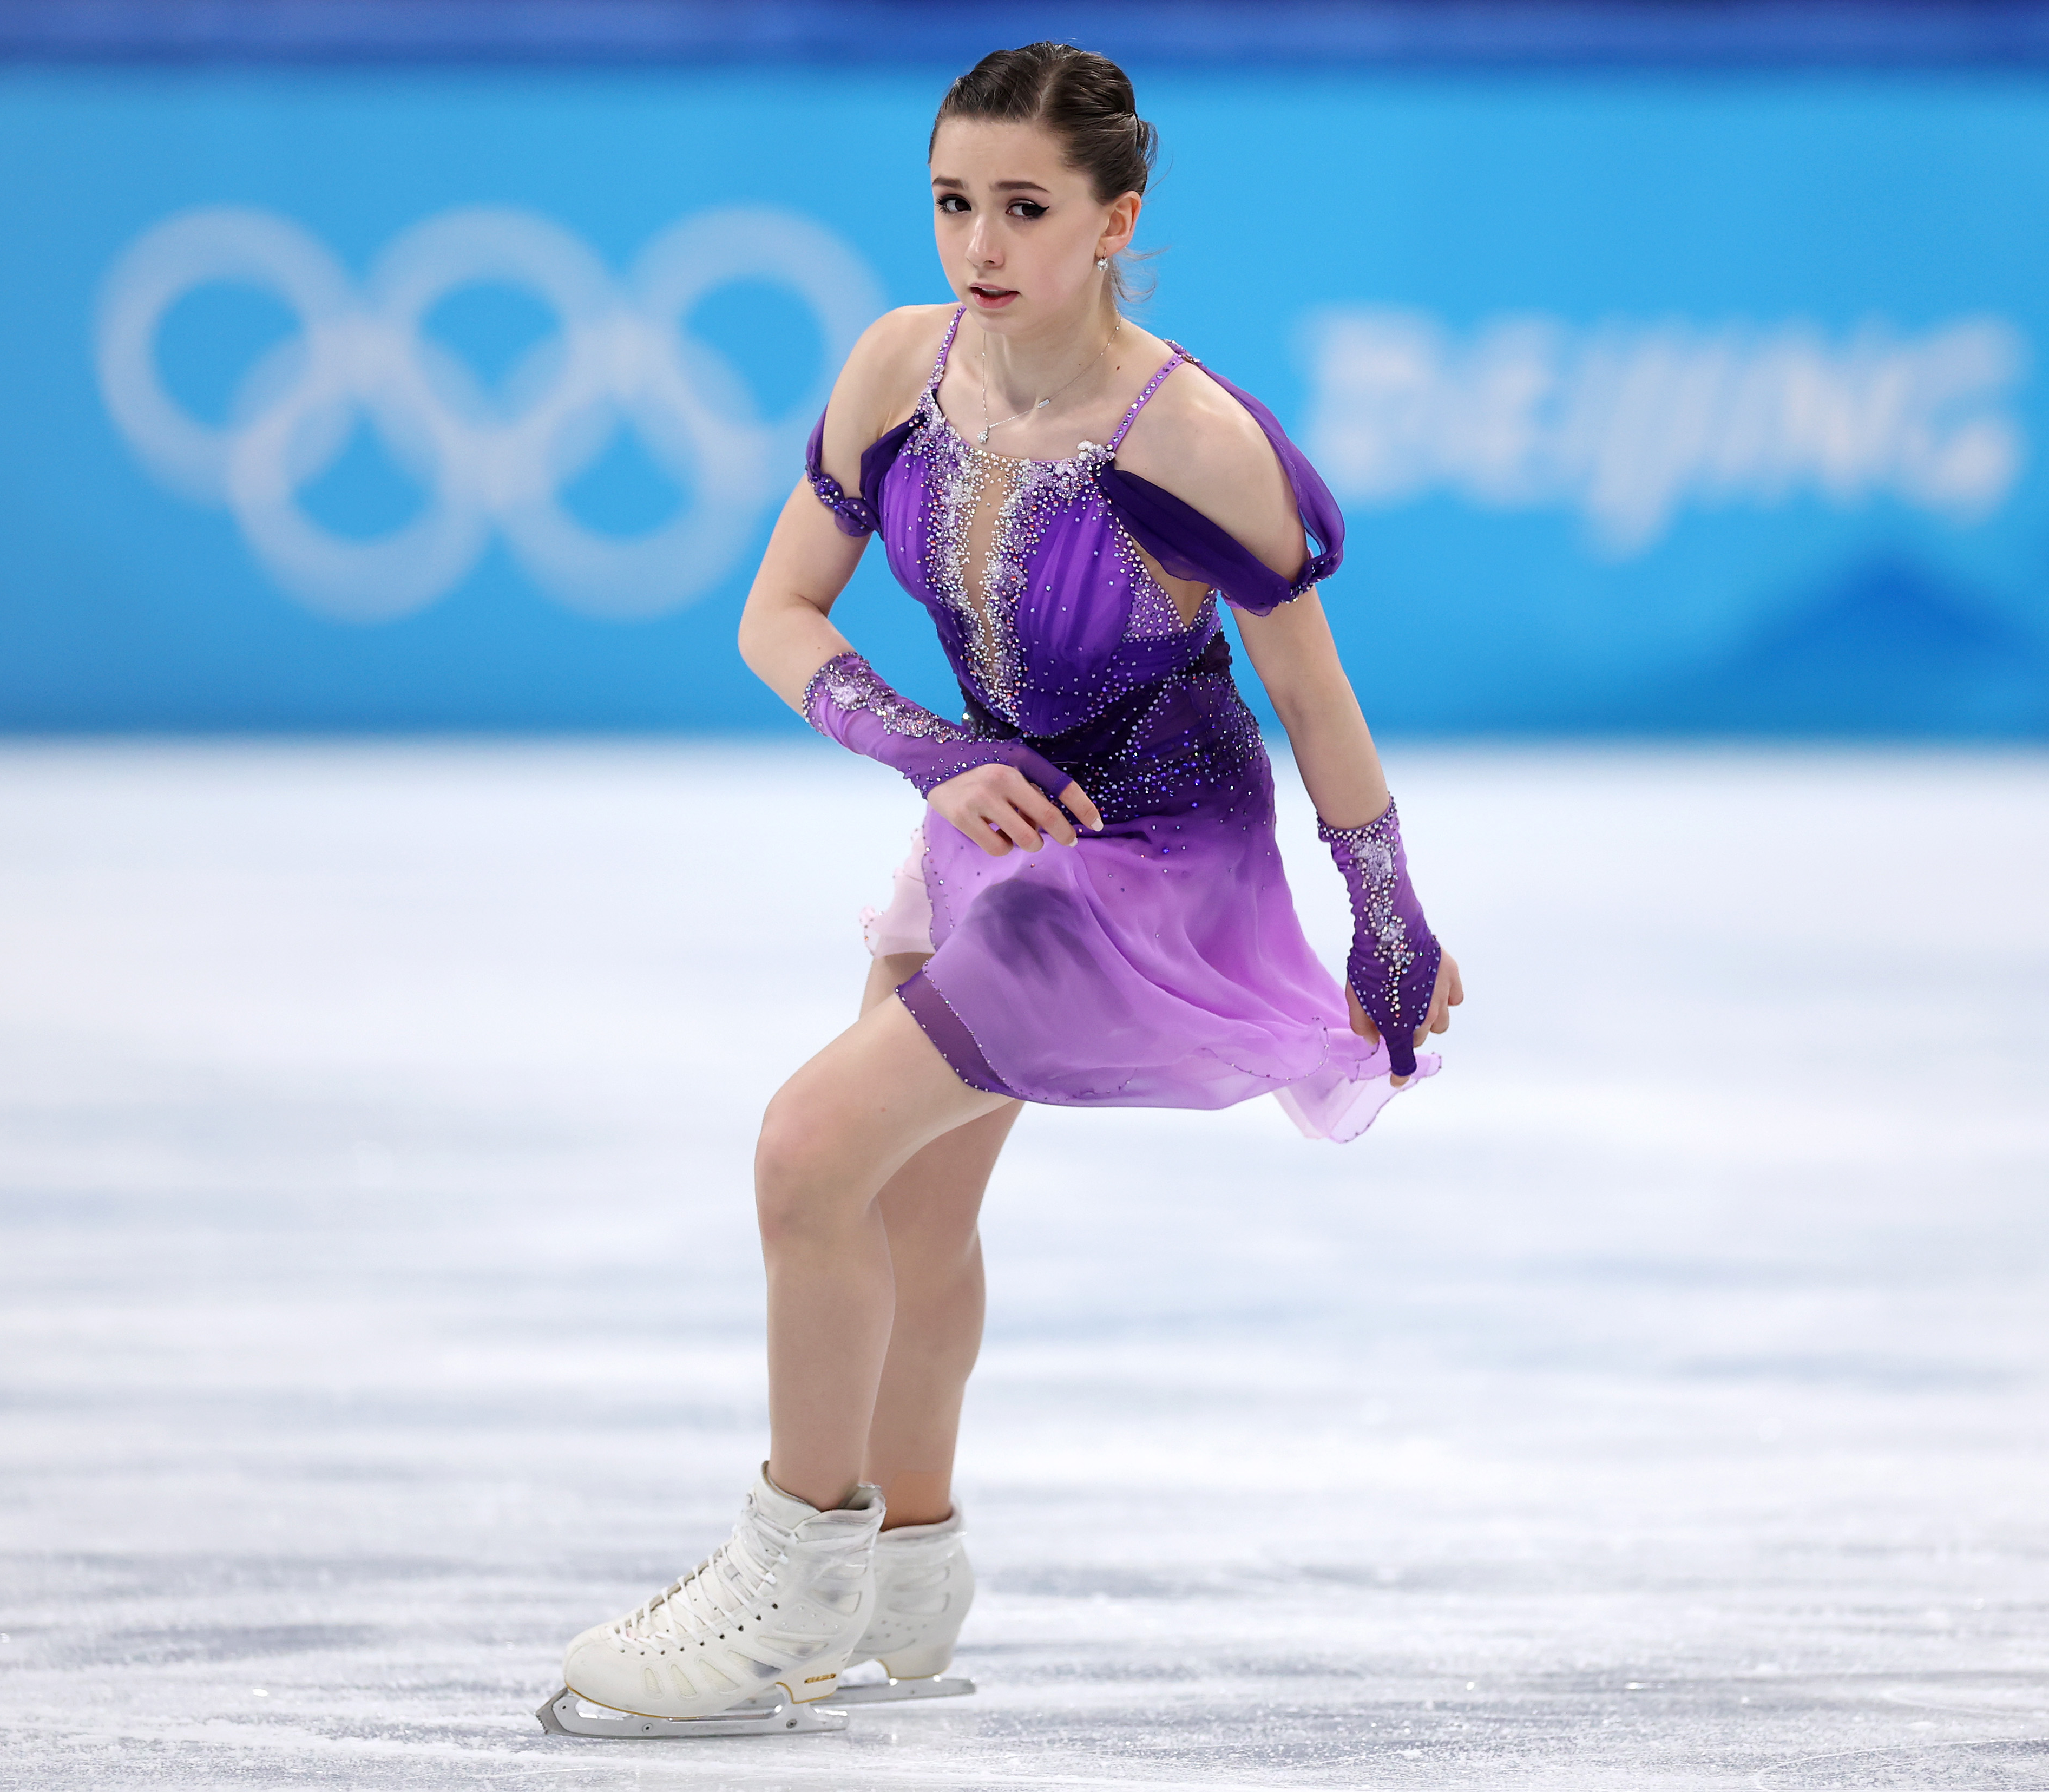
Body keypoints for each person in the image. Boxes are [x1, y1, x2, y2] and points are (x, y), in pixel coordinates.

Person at [536, 41, 1464, 1739]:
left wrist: (1386, 915)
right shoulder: (900, 366)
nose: (982, 242)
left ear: (1116, 219)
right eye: (956, 201)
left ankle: (791, 1571)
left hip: (1146, 866)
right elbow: (778, 617)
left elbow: (1314, 699)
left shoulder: (1196, 439)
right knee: (905, 1208)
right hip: (995, 826)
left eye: (1025, 207)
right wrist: (925, 749)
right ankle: (907, 1558)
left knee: (808, 1148)